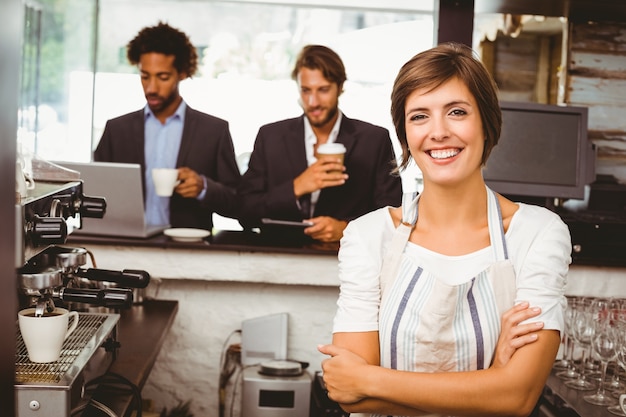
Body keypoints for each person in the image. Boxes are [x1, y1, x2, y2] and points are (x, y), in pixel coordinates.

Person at [318, 42, 571, 417]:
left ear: (486, 122)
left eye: (456, 112)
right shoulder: (368, 236)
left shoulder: (538, 233)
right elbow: (347, 394)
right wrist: (492, 379)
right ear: (404, 133)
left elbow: (517, 398)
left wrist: (371, 380)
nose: (438, 132)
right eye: (419, 116)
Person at [237, 45, 402, 243]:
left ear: (340, 87)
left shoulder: (374, 140)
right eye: (305, 91)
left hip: (345, 262)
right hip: (279, 259)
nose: (313, 102)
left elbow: (393, 215)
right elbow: (244, 212)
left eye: (323, 90)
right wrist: (296, 187)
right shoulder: (270, 137)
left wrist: (347, 229)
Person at [95, 22, 241, 231]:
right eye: (145, 76)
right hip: (125, 247)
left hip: (187, 253)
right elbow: (93, 194)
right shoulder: (116, 130)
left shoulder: (213, 132)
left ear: (182, 73)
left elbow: (239, 204)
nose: (151, 87)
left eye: (163, 77)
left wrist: (203, 188)